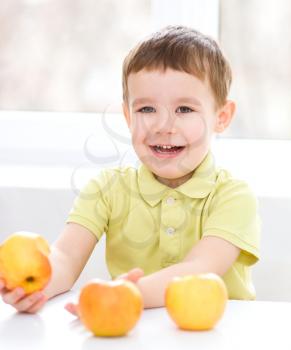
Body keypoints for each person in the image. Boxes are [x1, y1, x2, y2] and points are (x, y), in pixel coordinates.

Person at [0, 25, 260, 314]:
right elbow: (65, 257)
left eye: (184, 109)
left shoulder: (233, 196)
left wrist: (122, 295)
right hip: (130, 332)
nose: (163, 126)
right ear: (127, 115)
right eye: (146, 109)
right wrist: (35, 287)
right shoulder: (106, 189)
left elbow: (198, 268)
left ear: (221, 117)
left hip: (217, 336)